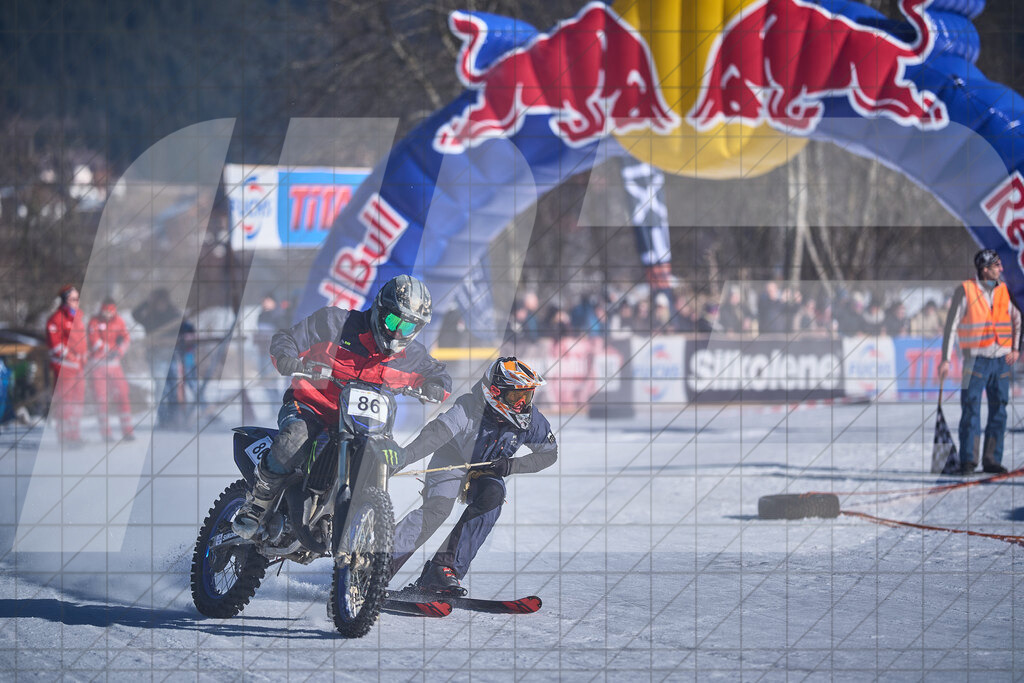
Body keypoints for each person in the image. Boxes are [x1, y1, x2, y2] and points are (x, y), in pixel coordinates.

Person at [232, 274, 452, 539]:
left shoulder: (410, 356)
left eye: (407, 327)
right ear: (380, 310)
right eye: (393, 321)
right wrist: (286, 357)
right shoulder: (334, 323)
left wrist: (435, 387)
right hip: (312, 407)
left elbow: (440, 375)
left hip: (366, 427)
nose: (397, 332)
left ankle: (364, 534)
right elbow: (287, 338)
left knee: (386, 457)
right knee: (294, 440)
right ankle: (258, 503)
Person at [387, 357, 557, 596]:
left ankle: (443, 570)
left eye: (527, 396)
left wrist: (510, 466)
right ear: (495, 392)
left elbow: (549, 454)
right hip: (452, 460)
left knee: (493, 496)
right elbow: (434, 436)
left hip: (489, 468)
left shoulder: (531, 420)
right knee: (438, 509)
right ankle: (378, 563)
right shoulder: (468, 408)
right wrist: (404, 457)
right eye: (515, 397)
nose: (522, 404)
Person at [938, 249, 1021, 475]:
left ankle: (992, 460)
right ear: (985, 269)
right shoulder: (965, 291)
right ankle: (968, 460)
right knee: (971, 409)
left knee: (999, 410)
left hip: (1001, 360)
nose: (1001, 269)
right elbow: (951, 326)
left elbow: (1017, 318)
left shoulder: (1003, 290)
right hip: (975, 361)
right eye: (996, 266)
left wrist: (1015, 348)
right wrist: (945, 359)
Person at [87, 298, 135, 441]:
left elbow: (126, 339)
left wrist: (119, 351)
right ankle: (106, 433)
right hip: (98, 366)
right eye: (105, 311)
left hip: (115, 367)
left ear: (114, 310)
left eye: (110, 311)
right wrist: (110, 350)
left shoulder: (119, 321)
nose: (107, 314)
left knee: (123, 396)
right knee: (101, 400)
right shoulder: (94, 321)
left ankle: (128, 431)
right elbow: (94, 341)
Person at [45, 285, 87, 446]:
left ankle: (74, 435)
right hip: (64, 369)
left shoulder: (78, 318)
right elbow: (56, 346)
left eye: (78, 299)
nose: (77, 302)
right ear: (64, 301)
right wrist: (72, 358)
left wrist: (83, 358)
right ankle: (64, 437)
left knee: (77, 403)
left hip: (78, 369)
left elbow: (81, 342)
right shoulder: (56, 319)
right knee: (65, 404)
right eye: (73, 299)